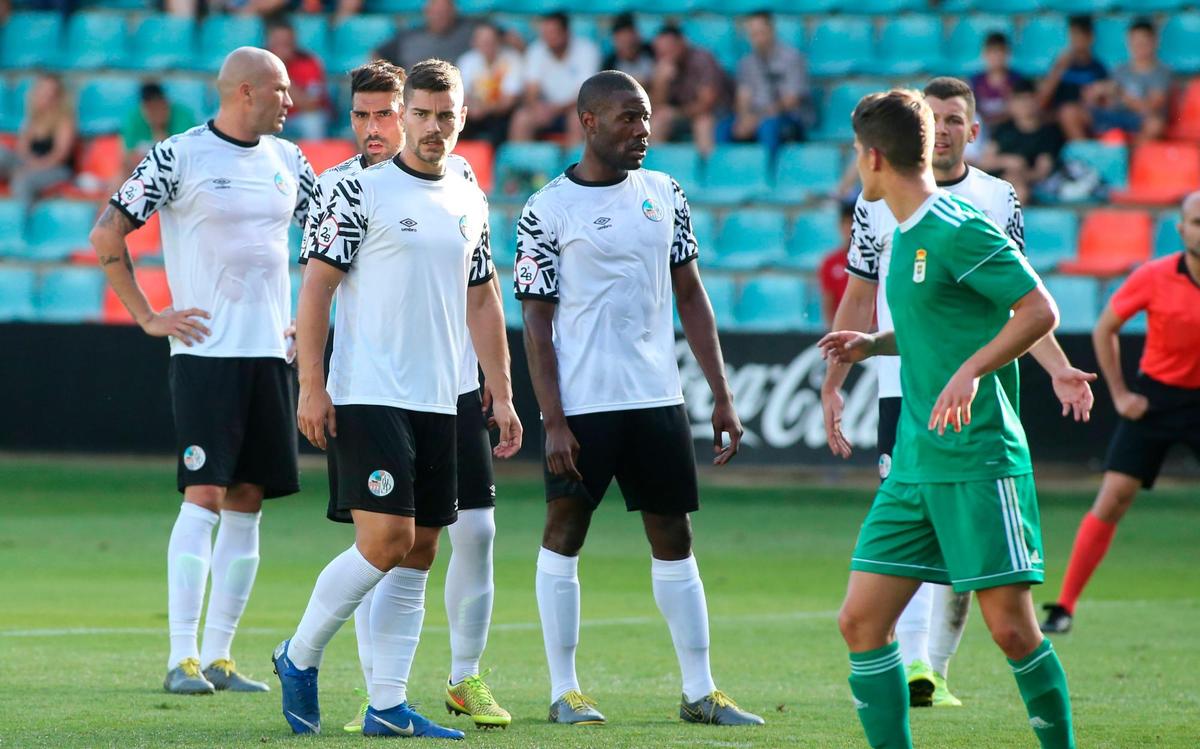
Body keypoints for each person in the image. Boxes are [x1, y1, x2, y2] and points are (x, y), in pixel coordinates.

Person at [821, 77, 1094, 712]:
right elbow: (929, 325)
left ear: (874, 157)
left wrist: (971, 371)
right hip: (915, 459)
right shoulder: (902, 231)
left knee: (1013, 631)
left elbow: (1038, 309)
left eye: (856, 151)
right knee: (861, 622)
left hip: (976, 456)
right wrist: (869, 346)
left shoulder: (961, 224)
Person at [272, 58, 521, 739]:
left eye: (448, 115)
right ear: (402, 114)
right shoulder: (360, 192)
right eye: (422, 113)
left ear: (464, 117)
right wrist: (313, 386)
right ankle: (298, 654)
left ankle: (387, 704)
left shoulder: (469, 189)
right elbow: (317, 289)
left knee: (419, 551)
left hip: (443, 398)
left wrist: (500, 391)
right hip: (370, 391)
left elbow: (483, 294)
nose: (434, 126)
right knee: (385, 540)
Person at [515, 70, 763, 728]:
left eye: (647, 117)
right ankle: (564, 688)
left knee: (675, 535)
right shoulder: (546, 209)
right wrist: (554, 419)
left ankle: (700, 690)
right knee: (564, 532)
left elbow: (691, 296)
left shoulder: (665, 194)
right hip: (583, 405)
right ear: (589, 122)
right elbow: (536, 322)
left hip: (656, 397)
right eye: (627, 118)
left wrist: (721, 394)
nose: (642, 130)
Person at [88, 47, 315, 695]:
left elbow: (329, 245)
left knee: (248, 500)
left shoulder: (290, 160)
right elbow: (107, 234)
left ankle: (219, 657)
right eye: (280, 90)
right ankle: (180, 656)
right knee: (206, 493)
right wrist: (148, 316)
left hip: (272, 353)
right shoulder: (178, 156)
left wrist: (312, 319)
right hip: (205, 353)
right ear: (244, 92)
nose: (290, 102)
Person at [1041, 192, 1200, 635]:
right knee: (1112, 499)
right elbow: (1105, 327)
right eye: (1197, 221)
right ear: (1182, 229)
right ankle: (1065, 606)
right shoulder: (1154, 276)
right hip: (1157, 399)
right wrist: (1120, 394)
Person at [718, 10, 811, 153]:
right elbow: (743, 96)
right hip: (757, 116)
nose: (758, 38)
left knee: (768, 127)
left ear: (771, 31)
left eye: (761, 33)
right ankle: (726, 170)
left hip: (788, 118)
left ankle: (769, 172)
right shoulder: (746, 63)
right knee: (724, 128)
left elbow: (792, 100)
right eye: (753, 34)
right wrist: (743, 119)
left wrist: (758, 119)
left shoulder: (792, 58)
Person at [508, 12, 600, 144]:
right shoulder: (536, 50)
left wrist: (557, 109)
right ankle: (523, 162)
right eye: (545, 33)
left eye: (553, 33)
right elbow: (531, 89)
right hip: (546, 110)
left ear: (566, 32)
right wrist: (536, 106)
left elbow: (586, 93)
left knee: (578, 119)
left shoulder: (587, 50)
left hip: (575, 108)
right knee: (521, 118)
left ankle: (574, 163)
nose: (548, 38)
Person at [1083, 19, 1171, 144]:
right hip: (1116, 116)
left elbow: (1150, 108)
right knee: (1075, 113)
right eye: (1135, 42)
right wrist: (1096, 95)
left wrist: (1121, 94)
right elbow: (1107, 102)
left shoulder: (1162, 72)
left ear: (1154, 42)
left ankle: (1129, 158)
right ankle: (1088, 157)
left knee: (1155, 124)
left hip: (1138, 119)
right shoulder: (1119, 70)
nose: (1139, 47)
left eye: (1143, 43)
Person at [978, 80, 1065, 205]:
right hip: (996, 181)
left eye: (1028, 99)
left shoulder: (1049, 133)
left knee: (1018, 191)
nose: (1024, 105)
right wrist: (1008, 161)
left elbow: (1042, 171)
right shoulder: (1003, 129)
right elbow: (985, 162)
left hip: (1025, 184)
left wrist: (1021, 174)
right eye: (1019, 100)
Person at [649, 25, 730, 156]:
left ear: (681, 43)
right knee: (656, 122)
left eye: (670, 49)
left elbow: (706, 104)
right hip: (684, 116)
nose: (666, 55)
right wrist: (660, 83)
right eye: (662, 52)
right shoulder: (663, 65)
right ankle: (658, 169)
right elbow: (655, 107)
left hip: (715, 115)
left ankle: (706, 172)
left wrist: (677, 113)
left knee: (703, 123)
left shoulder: (703, 59)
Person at [0, 73, 76, 204]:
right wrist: (27, 163)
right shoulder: (32, 119)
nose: (46, 96)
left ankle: (23, 220)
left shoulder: (64, 120)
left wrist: (34, 167)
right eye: (42, 91)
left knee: (23, 181)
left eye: (50, 93)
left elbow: (60, 155)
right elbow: (22, 148)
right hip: (30, 165)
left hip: (55, 169)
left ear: (58, 97)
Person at [1038, 15, 1108, 142]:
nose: (1077, 41)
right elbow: (1042, 99)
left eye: (1081, 36)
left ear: (1090, 38)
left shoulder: (1098, 68)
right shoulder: (1060, 64)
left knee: (1070, 113)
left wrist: (1096, 96)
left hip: (1087, 114)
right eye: (1074, 36)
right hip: (1058, 114)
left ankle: (1083, 153)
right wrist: (1058, 70)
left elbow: (1105, 103)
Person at [456, 22, 522, 147]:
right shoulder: (467, 60)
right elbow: (461, 95)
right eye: (483, 41)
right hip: (473, 113)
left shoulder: (513, 60)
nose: (487, 45)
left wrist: (484, 109)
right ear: (474, 42)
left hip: (501, 115)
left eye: (491, 41)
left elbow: (509, 100)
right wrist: (473, 108)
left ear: (499, 41)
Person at [267, 18, 330, 141]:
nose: (282, 48)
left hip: (299, 117)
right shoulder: (258, 62)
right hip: (270, 118)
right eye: (277, 43)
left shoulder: (308, 62)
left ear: (294, 42)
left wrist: (280, 72)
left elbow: (311, 105)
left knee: (313, 121)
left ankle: (314, 159)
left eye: (286, 43)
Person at [376, 0, 474, 74]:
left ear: (454, 12)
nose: (440, 17)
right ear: (426, 12)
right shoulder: (409, 37)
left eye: (445, 12)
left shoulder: (468, 32)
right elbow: (377, 56)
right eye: (436, 13)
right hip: (414, 91)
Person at [121, 82, 196, 173]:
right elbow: (128, 158)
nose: (155, 110)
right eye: (150, 106)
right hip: (145, 173)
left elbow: (184, 158)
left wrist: (159, 129)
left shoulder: (183, 116)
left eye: (158, 104)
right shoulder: (134, 118)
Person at [969, 32, 1026, 130]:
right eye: (992, 52)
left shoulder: (1016, 80)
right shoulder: (975, 80)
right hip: (983, 127)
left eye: (1000, 52)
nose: (996, 57)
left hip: (1008, 127)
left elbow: (1017, 109)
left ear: (1007, 53)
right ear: (984, 54)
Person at [818, 202, 854, 328]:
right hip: (845, 330)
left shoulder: (877, 259)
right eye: (847, 223)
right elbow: (828, 302)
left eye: (854, 223)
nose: (850, 228)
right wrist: (833, 331)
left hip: (876, 331)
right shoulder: (830, 262)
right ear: (840, 226)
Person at [602, 13, 655, 86]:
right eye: (623, 43)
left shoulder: (651, 53)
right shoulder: (610, 64)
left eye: (631, 44)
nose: (628, 47)